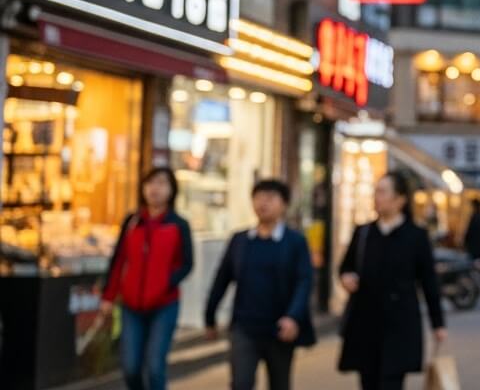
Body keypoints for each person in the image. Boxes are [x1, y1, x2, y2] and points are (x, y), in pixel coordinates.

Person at [337, 172, 447, 390]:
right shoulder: (364, 232)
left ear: (400, 199)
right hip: (365, 322)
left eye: (382, 192)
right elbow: (346, 266)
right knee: (368, 381)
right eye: (376, 191)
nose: (376, 197)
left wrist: (438, 323)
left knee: (391, 381)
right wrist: (346, 277)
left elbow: (428, 281)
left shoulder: (416, 236)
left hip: (400, 324)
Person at [204, 179, 316, 390]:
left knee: (279, 384)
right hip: (244, 327)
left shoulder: (295, 242)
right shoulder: (240, 240)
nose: (263, 203)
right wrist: (210, 316)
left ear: (284, 204)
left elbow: (304, 282)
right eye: (259, 197)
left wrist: (293, 317)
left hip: (280, 328)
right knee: (241, 383)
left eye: (271, 198)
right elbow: (222, 279)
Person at [99, 167, 194, 390]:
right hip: (131, 305)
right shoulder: (132, 222)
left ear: (172, 190)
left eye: (162, 183)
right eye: (150, 183)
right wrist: (109, 296)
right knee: (130, 367)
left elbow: (187, 264)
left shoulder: (178, 224)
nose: (155, 189)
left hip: (164, 305)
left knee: (154, 367)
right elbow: (118, 259)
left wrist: (165, 283)